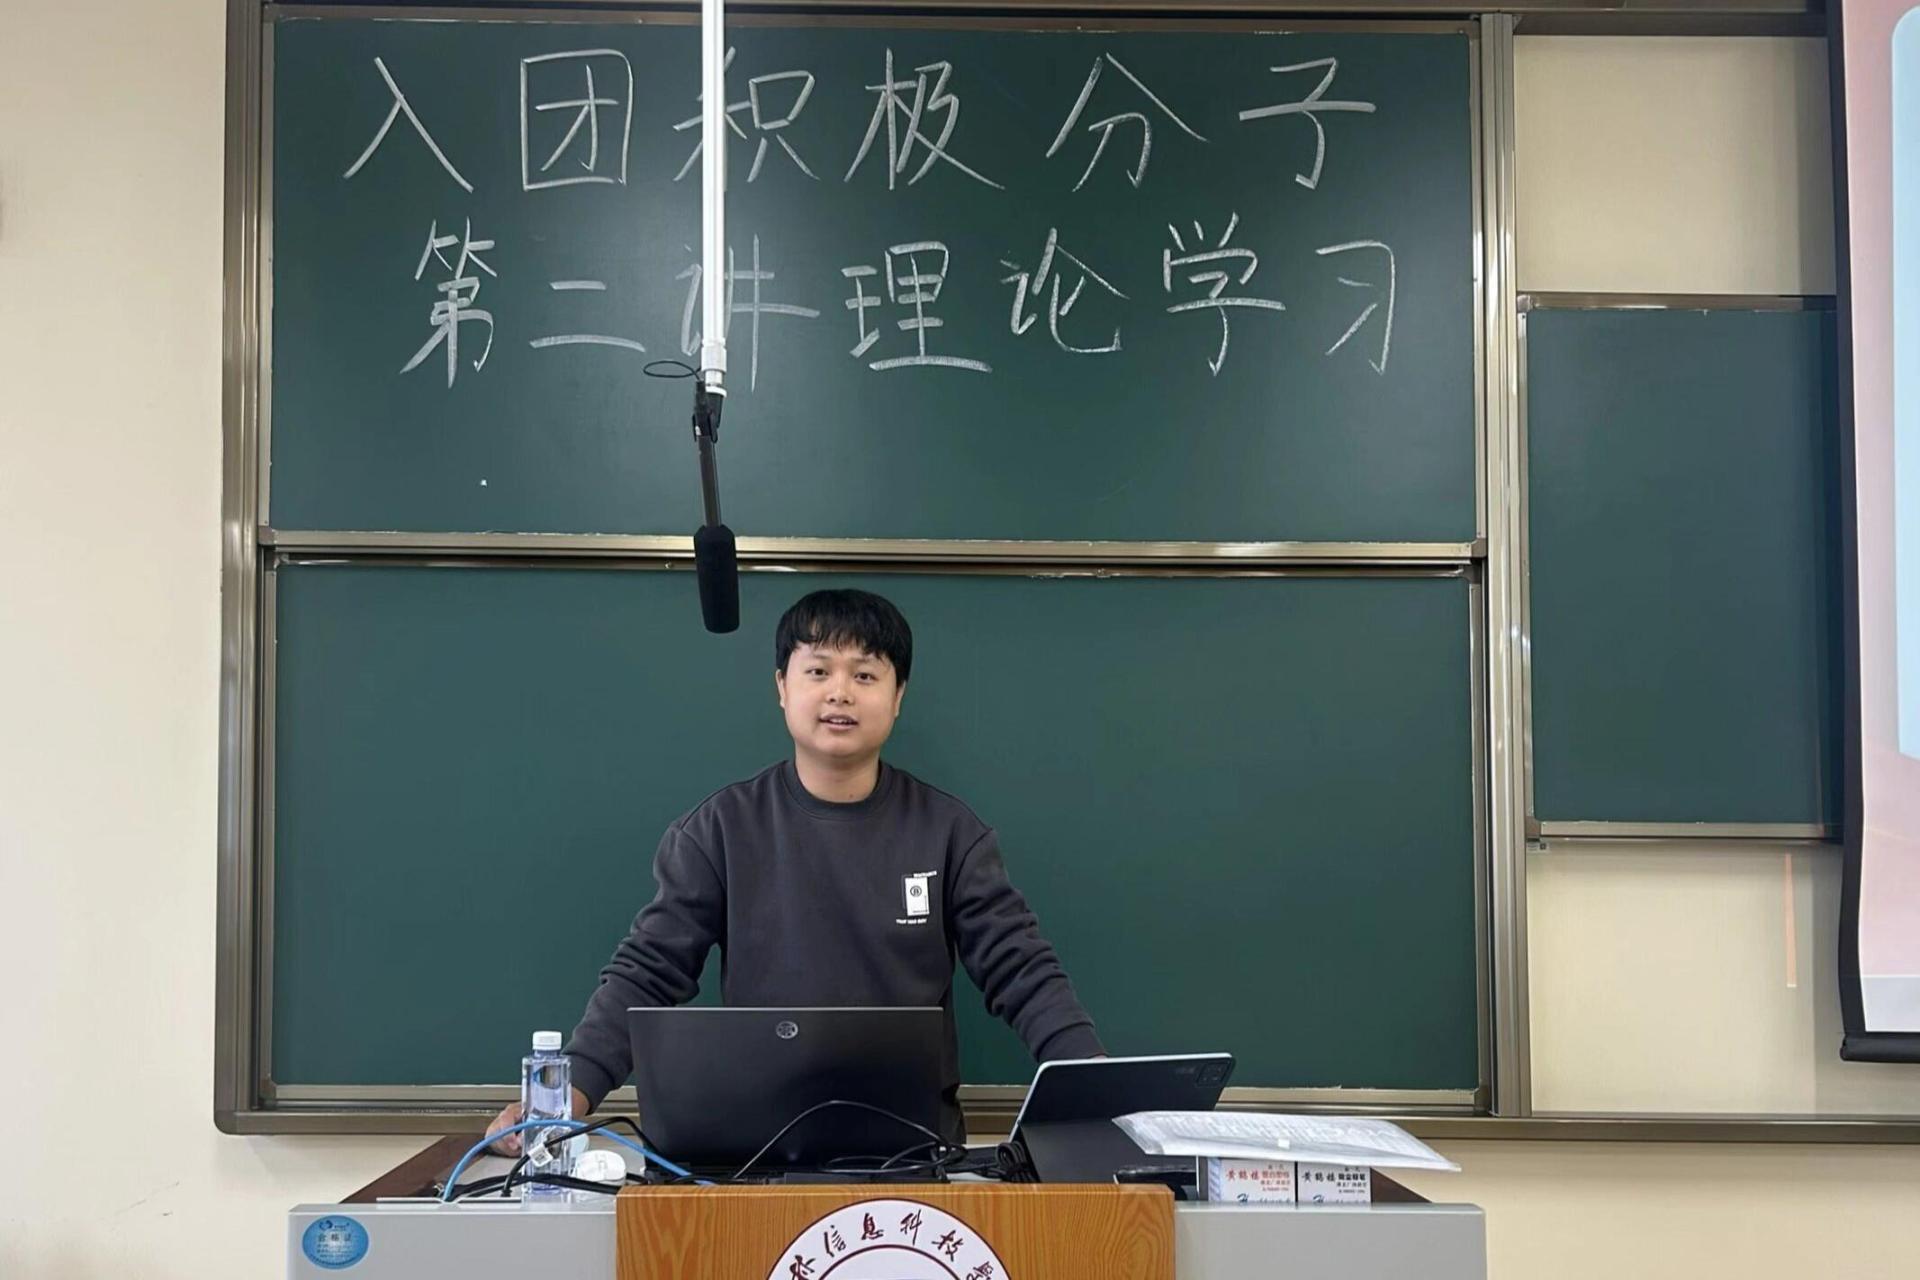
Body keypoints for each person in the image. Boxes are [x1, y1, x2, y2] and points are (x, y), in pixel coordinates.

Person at [487, 588, 1102, 1155]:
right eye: (818, 671)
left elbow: (1022, 971)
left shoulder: (951, 832)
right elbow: (648, 973)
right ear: (782, 686)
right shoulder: (719, 828)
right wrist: (568, 1096)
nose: (840, 693)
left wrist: (1098, 1090)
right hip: (752, 1151)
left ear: (898, 697)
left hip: (914, 1153)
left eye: (865, 674)